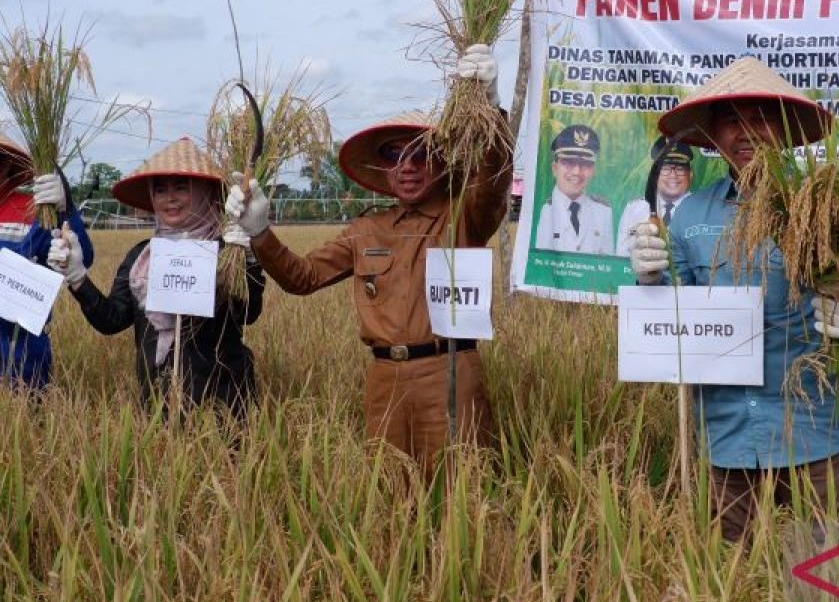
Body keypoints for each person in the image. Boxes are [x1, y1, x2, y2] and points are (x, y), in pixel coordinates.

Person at [631, 56, 839, 542]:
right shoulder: (691, 215)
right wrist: (651, 281)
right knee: (728, 579)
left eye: (761, 118)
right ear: (712, 134)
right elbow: (679, 319)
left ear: (787, 129)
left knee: (832, 580)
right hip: (727, 435)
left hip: (818, 430)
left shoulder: (833, 202)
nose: (747, 132)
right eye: (733, 119)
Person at [224, 45, 510, 474]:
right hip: (385, 381)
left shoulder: (463, 215)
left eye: (420, 153)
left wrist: (490, 110)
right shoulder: (365, 230)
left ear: (442, 162)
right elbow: (301, 277)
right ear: (383, 170)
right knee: (392, 497)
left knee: (462, 496)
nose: (408, 166)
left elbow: (493, 182)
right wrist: (260, 232)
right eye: (395, 156)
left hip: (449, 371)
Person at [49, 138, 262, 417]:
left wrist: (250, 259)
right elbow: (111, 320)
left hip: (225, 407)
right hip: (158, 406)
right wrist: (77, 278)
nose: (169, 198)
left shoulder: (227, 250)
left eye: (181, 188)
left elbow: (249, 313)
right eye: (160, 190)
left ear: (203, 193)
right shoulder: (142, 256)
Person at [0, 133, 95, 390]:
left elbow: (83, 257)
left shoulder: (35, 209)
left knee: (26, 422)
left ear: (8, 166)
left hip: (22, 357)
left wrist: (65, 210)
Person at [534, 124, 614, 255]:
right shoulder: (542, 210)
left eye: (585, 164)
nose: (577, 172)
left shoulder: (603, 212)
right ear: (555, 168)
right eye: (568, 162)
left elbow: (607, 264)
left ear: (593, 170)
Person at [615, 136, 694, 257]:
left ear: (691, 174)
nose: (673, 175)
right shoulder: (633, 209)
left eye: (679, 168)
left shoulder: (701, 211)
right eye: (665, 168)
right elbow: (621, 257)